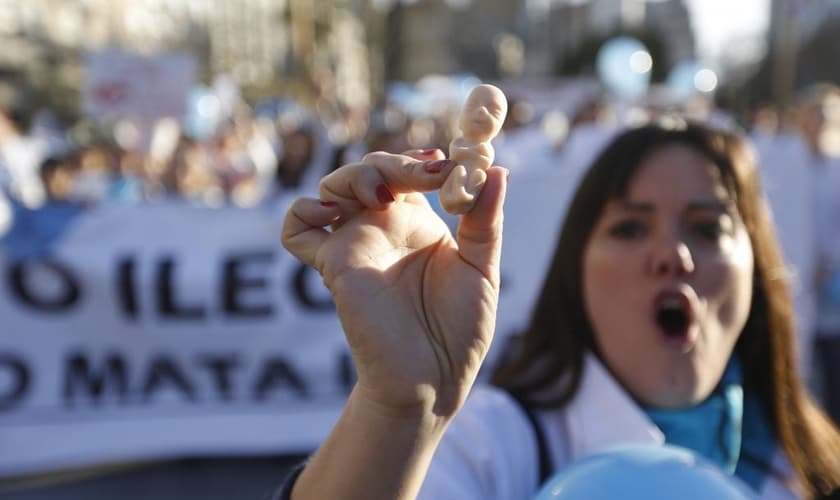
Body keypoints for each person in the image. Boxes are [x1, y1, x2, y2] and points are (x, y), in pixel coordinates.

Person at [277, 119, 840, 499]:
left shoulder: (815, 462)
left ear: (758, 265)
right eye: (630, 227)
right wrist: (401, 406)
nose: (673, 255)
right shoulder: (493, 448)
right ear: (575, 272)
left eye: (708, 227)